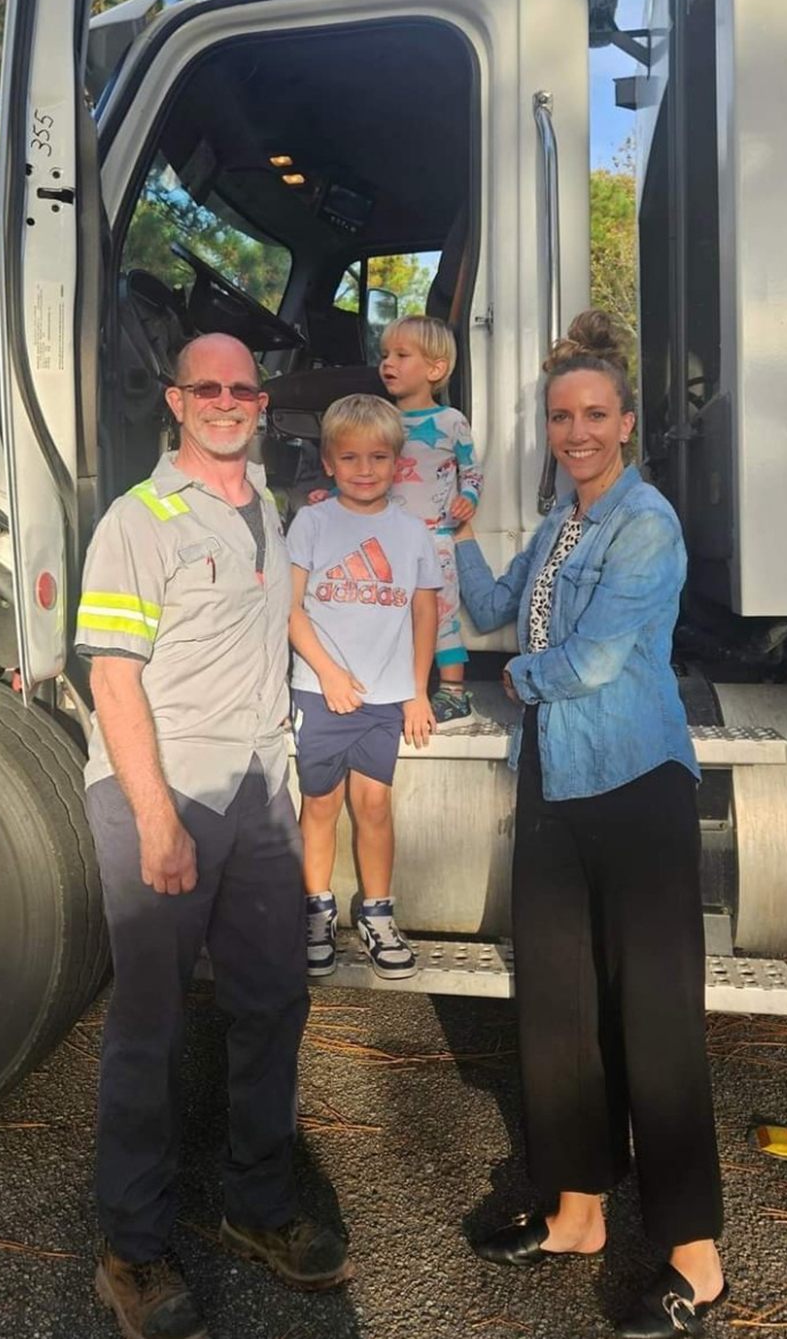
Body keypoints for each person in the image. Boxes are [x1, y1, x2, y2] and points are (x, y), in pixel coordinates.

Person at [455, 310, 727, 1339]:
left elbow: (595, 661)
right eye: (561, 415)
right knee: (559, 1008)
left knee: (653, 1017)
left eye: (594, 415)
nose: (576, 431)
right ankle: (576, 1214)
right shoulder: (559, 526)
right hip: (555, 783)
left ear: (625, 424)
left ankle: (696, 1263)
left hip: (631, 781)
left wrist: (514, 680)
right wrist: (441, 532)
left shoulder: (644, 521)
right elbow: (493, 603)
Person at [75, 333, 349, 1339]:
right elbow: (113, 679)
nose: (227, 402)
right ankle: (131, 1252)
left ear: (260, 401)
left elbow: (275, 626)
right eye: (208, 389)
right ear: (179, 404)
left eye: (242, 388)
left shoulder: (265, 508)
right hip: (166, 793)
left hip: (257, 791)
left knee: (272, 1003)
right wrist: (155, 819)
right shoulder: (137, 521)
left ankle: (255, 1204)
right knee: (150, 1030)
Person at [287, 393, 440, 981]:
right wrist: (327, 673)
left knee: (373, 805)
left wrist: (417, 690)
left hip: (384, 697)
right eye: (351, 458)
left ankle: (378, 915)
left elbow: (424, 614)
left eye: (378, 458)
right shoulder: (313, 521)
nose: (365, 470)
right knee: (320, 804)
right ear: (329, 461)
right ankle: (315, 912)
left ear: (398, 464)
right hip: (319, 694)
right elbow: (290, 608)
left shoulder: (412, 532)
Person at [378, 314, 483, 725]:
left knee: (441, 614)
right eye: (385, 354)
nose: (389, 362)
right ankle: (404, 688)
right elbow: (365, 473)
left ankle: (454, 693)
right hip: (389, 538)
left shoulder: (450, 421)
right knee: (395, 611)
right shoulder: (381, 420)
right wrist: (332, 495)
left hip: (437, 537)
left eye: (402, 355)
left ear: (436, 369)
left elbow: (471, 469)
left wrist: (468, 498)